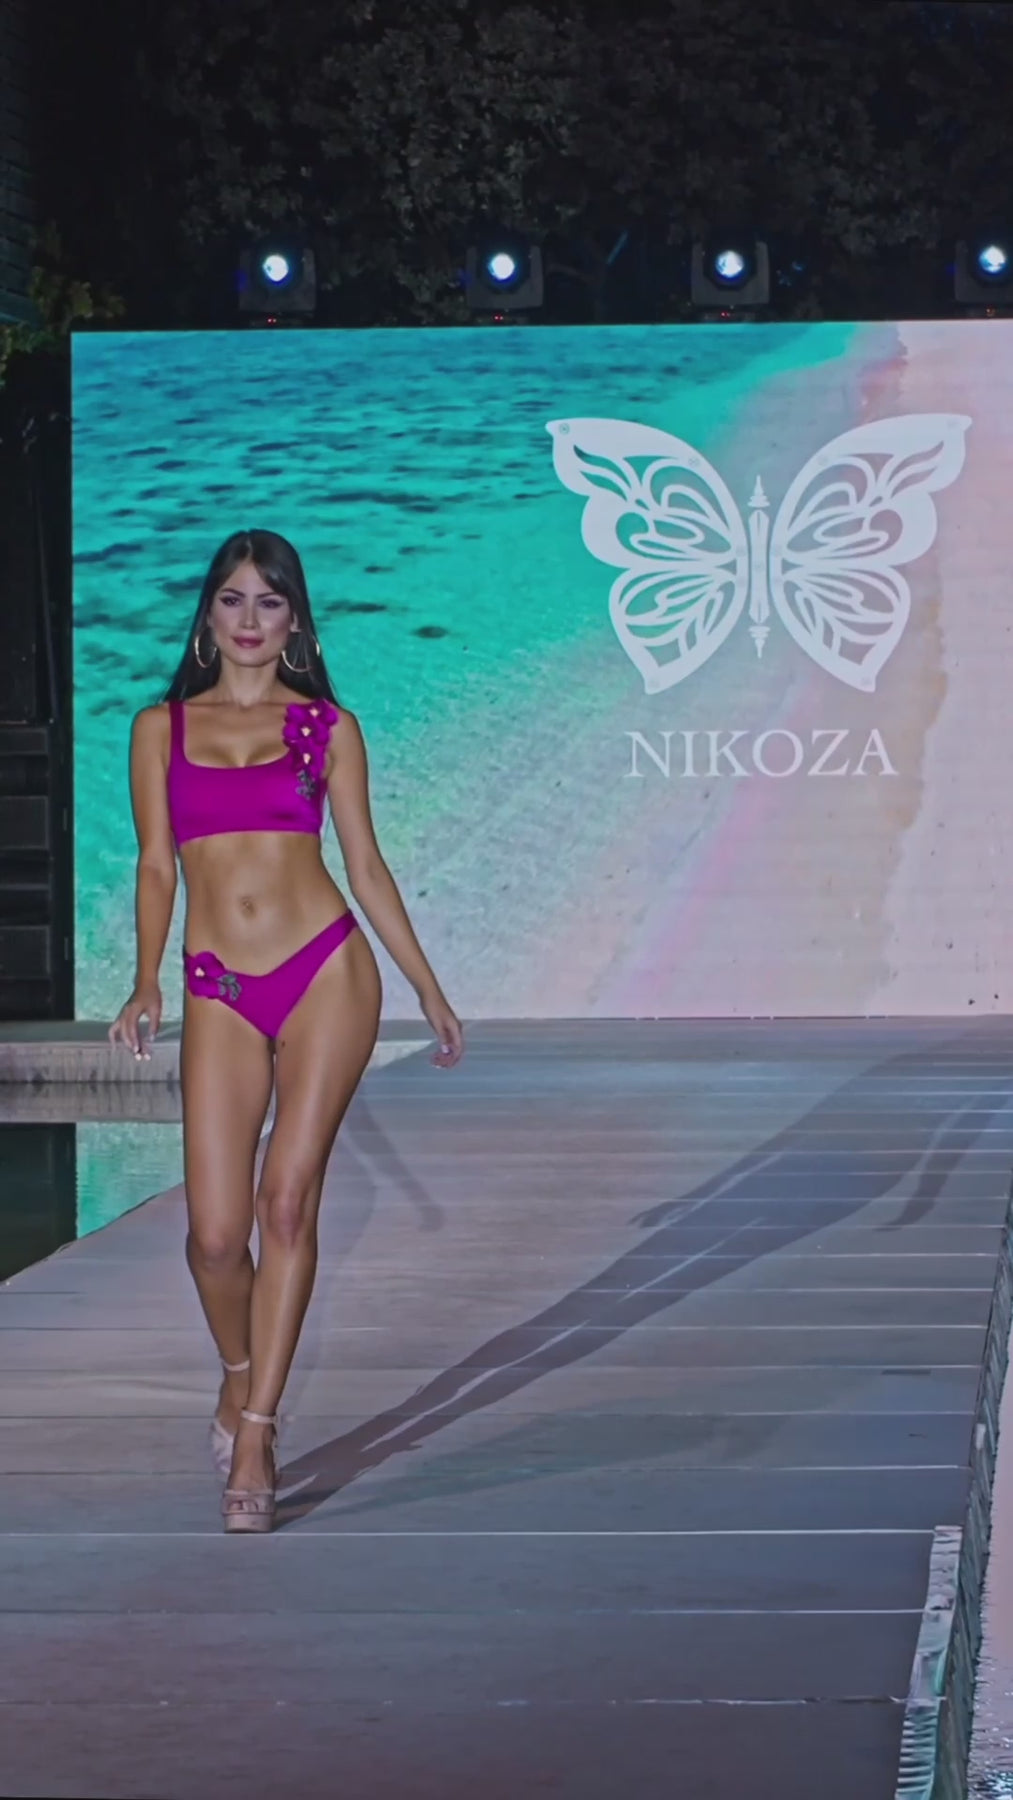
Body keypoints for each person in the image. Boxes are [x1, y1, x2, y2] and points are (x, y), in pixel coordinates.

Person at [108, 528, 463, 1533]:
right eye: (232, 600)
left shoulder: (329, 728)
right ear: (206, 615)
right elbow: (155, 866)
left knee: (287, 1204)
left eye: (270, 602)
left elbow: (366, 864)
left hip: (325, 973)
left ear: (296, 620)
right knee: (215, 1238)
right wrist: (144, 982)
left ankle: (259, 1432)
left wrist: (426, 987)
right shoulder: (158, 729)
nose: (250, 620)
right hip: (218, 985)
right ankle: (239, 1371)